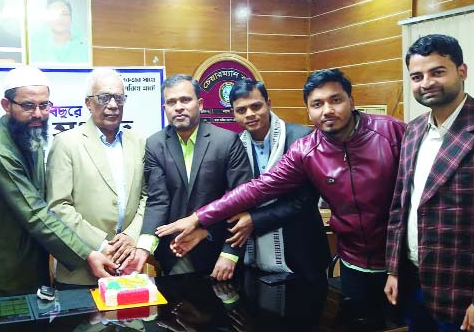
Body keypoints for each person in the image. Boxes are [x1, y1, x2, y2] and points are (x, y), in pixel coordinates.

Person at [157, 68, 406, 327]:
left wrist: (254, 219)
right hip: (342, 260)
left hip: (381, 259)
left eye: (335, 100)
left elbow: (303, 200)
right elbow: (254, 189)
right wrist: (201, 220)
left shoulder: (387, 133)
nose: (327, 110)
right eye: (317, 104)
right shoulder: (282, 147)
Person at [384, 34, 474, 332]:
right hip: (414, 282)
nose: (426, 82)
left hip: (467, 292)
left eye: (437, 72)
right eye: (417, 76)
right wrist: (394, 269)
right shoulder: (414, 129)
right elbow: (400, 206)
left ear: (462, 71)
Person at [0, 66, 116, 296]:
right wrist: (88, 253)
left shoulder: (27, 133)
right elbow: (36, 213)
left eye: (44, 105)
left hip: (30, 264)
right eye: (28, 106)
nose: (38, 114)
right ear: (7, 105)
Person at [195, 77, 331, 284]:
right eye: (241, 110)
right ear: (233, 113)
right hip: (254, 257)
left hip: (302, 252)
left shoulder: (302, 138)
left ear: (268, 103)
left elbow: (304, 200)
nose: (250, 114)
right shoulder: (234, 146)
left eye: (256, 106)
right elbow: (232, 198)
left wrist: (254, 219)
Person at [122, 74, 252, 280]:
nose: (179, 107)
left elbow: (238, 201)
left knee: (225, 309)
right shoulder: (155, 144)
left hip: (219, 251)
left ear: (200, 104)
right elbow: (158, 200)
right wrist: (144, 248)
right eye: (171, 102)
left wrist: (229, 253)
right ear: (165, 109)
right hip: (175, 253)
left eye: (185, 100)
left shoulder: (227, 141)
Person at [45, 68, 146, 287]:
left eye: (119, 98)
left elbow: (148, 197)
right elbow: (58, 206)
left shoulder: (138, 142)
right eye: (104, 98)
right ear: (88, 103)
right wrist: (101, 244)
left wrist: (131, 236)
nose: (112, 105)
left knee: (133, 321)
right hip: (81, 271)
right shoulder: (66, 143)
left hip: (128, 267)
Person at [29, 0, 89, 64]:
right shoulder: (34, 46)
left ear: (71, 18)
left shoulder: (85, 46)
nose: (60, 18)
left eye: (64, 14)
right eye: (54, 14)